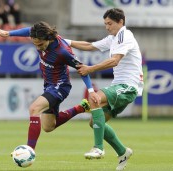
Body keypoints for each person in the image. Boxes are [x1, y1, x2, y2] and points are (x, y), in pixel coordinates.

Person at [0, 21, 100, 150]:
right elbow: (29, 31)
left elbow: (83, 69)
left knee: (34, 108)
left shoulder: (62, 51)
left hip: (60, 86)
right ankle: (81, 108)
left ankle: (29, 151)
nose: (38, 47)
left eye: (40, 44)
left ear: (49, 38)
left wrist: (91, 91)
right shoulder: (39, 36)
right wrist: (8, 33)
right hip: (49, 85)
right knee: (48, 127)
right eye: (35, 44)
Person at [67, 8, 143, 170]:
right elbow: (89, 46)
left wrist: (90, 69)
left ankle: (98, 148)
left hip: (127, 87)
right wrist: (64, 41)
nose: (107, 27)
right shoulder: (113, 38)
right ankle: (123, 152)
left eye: (110, 23)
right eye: (105, 24)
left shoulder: (125, 36)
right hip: (119, 87)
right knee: (94, 121)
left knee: (94, 98)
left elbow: (115, 61)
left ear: (120, 22)